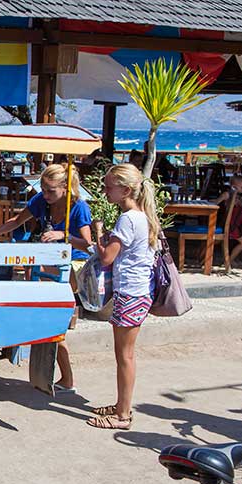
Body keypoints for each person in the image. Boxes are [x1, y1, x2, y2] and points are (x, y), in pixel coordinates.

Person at [0, 165, 93, 394]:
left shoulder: (79, 207)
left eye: (50, 190)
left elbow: (88, 244)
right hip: (49, 263)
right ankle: (63, 378)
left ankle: (67, 378)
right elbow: (17, 220)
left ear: (65, 188)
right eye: (42, 189)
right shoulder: (41, 202)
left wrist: (63, 235)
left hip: (73, 265)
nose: (45, 194)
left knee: (51, 322)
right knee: (46, 318)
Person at [85, 164, 160, 430]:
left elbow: (106, 258)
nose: (105, 191)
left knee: (125, 355)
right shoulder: (142, 216)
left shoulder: (128, 218)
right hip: (138, 291)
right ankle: (121, 406)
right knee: (124, 354)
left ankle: (123, 415)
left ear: (125, 190)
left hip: (131, 291)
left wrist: (97, 233)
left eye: (109, 187)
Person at [212, 174, 242, 264]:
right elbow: (216, 202)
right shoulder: (227, 194)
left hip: (234, 225)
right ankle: (228, 261)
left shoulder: (236, 196)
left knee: (217, 241)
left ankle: (229, 260)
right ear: (233, 186)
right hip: (230, 225)